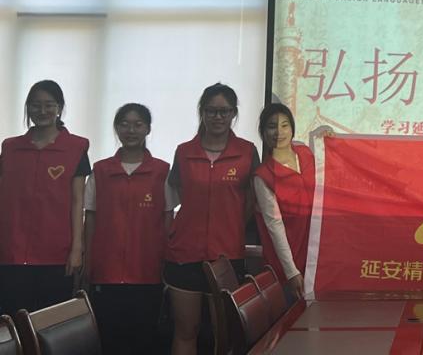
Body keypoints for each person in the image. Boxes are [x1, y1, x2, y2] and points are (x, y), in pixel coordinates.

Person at [164, 83, 259, 355]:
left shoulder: (247, 151)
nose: (218, 117)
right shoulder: (184, 152)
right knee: (186, 331)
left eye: (224, 111)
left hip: (227, 255)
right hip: (184, 254)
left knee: (225, 334)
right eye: (211, 111)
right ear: (202, 113)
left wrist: (229, 225)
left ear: (233, 114)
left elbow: (251, 201)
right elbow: (178, 195)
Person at [84, 103, 172, 355]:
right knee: (108, 338)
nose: (131, 130)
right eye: (124, 124)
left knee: (144, 338)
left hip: (148, 271)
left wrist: (166, 261)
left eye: (137, 124)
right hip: (106, 272)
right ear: (116, 128)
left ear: (148, 129)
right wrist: (88, 262)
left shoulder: (161, 171)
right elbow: (90, 218)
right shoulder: (100, 170)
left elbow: (168, 220)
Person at [0, 80, 90, 316]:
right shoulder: (10, 148)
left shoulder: (76, 147)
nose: (42, 111)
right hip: (12, 250)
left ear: (59, 108)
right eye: (35, 105)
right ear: (27, 108)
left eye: (49, 105)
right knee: (12, 320)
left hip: (56, 252)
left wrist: (77, 248)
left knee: (50, 321)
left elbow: (78, 201)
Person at [253, 103, 314, 302]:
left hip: (315, 255)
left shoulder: (306, 154)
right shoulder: (263, 175)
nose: (279, 132)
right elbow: (274, 226)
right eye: (272, 126)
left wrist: (329, 138)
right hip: (289, 261)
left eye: (285, 125)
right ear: (263, 132)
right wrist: (291, 272)